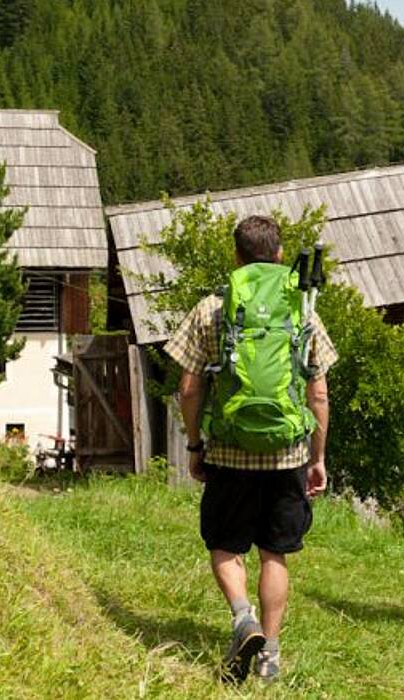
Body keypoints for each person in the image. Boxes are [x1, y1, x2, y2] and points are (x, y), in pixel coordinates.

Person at [166, 214, 335, 683]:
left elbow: (188, 388)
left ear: (237, 257)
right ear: (280, 256)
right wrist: (317, 457)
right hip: (287, 455)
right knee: (274, 553)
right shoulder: (302, 308)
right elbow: (318, 393)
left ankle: (243, 618)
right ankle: (271, 654)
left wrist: (196, 444)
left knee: (224, 544)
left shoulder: (211, 309)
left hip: (229, 451)